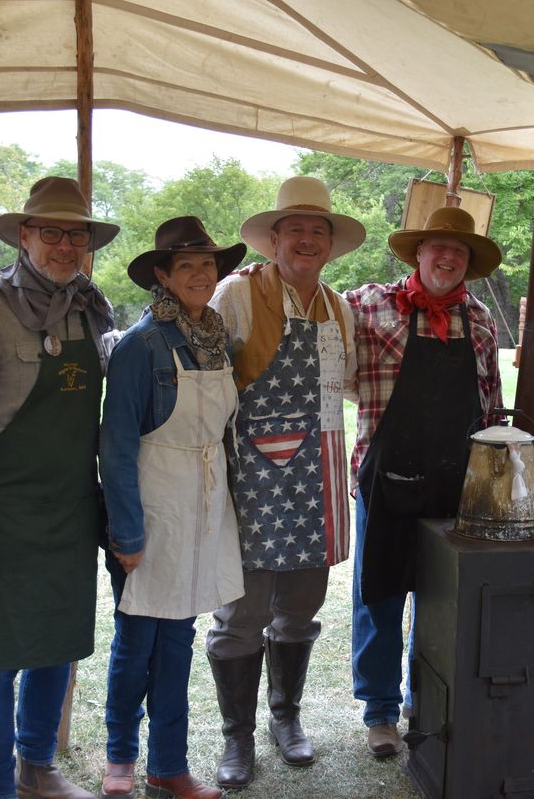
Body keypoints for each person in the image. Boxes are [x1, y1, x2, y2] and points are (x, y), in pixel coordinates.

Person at [0, 176, 118, 799]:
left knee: (55, 645)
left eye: (77, 234)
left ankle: (37, 767)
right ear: (26, 236)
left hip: (69, 508)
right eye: (53, 232)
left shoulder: (91, 308)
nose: (66, 246)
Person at [205, 175, 362, 789]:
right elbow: (208, 385)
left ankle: (285, 718)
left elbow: (346, 387)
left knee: (301, 609)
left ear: (330, 245)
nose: (306, 240)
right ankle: (236, 738)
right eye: (294, 229)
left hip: (315, 481)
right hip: (253, 480)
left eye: (317, 231)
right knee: (242, 614)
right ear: (273, 239)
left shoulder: (338, 306)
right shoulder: (236, 296)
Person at [345, 206, 504, 757]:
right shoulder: (369, 304)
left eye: (458, 251)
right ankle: (381, 712)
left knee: (441, 600)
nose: (447, 257)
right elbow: (313, 317)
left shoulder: (480, 322)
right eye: (438, 246)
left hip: (454, 485)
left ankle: (426, 702)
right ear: (418, 252)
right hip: (385, 479)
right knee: (381, 596)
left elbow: (491, 410)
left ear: (468, 262)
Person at [97, 218, 247, 799]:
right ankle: (121, 756)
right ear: (162, 275)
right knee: (136, 642)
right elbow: (115, 446)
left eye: (208, 265)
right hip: (152, 509)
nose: (200, 276)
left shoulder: (215, 341)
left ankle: (170, 764)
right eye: (186, 266)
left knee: (178, 642)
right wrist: (127, 534)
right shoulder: (141, 346)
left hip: (203, 508)